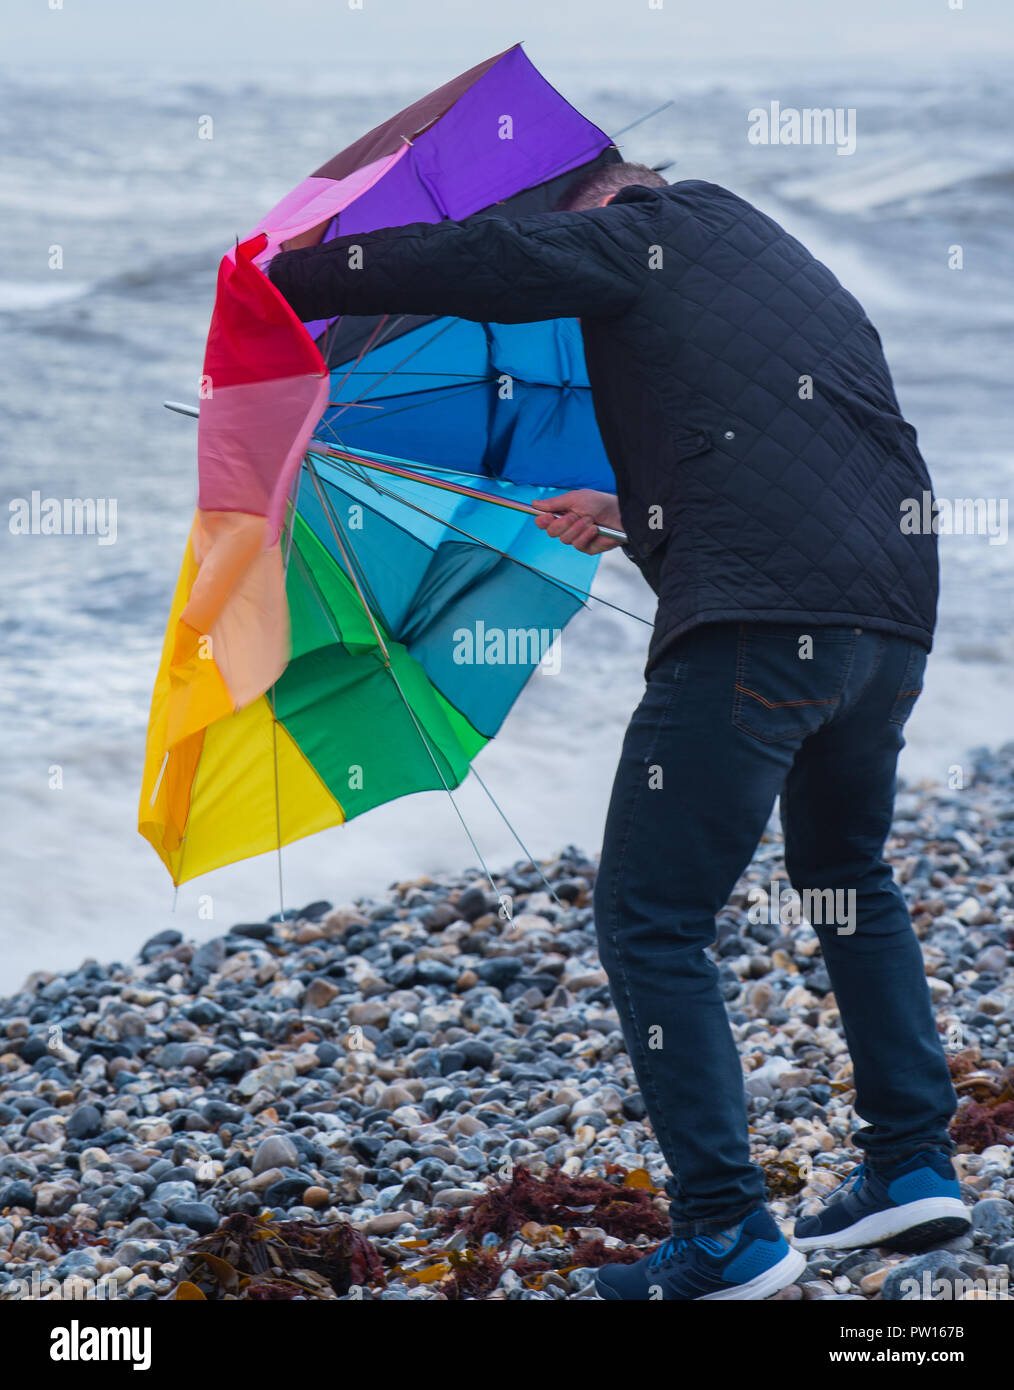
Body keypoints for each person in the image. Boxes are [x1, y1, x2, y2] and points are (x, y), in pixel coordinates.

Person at [268, 160, 968, 1300]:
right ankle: (911, 1161)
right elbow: (783, 460)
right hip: (888, 618)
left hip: (756, 625)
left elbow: (480, 264)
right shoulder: (780, 256)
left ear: (593, 200)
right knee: (847, 874)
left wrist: (291, 281)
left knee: (649, 918)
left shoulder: (634, 231)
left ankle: (727, 1230)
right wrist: (629, 511)